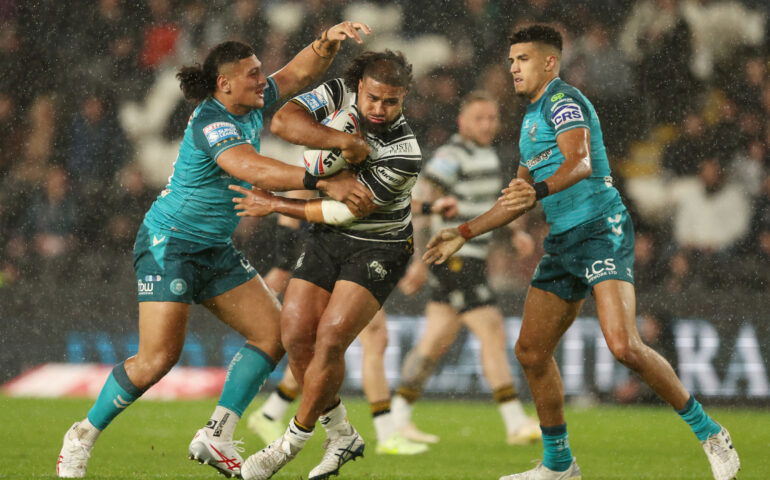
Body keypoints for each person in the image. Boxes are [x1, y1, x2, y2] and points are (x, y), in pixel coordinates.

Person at [56, 23, 373, 479]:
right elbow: (250, 167)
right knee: (157, 360)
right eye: (253, 74)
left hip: (214, 248)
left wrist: (326, 41)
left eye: (260, 71)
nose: (263, 79)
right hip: (171, 244)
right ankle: (81, 435)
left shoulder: (249, 100)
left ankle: (216, 434)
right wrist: (321, 181)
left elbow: (297, 73)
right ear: (225, 84)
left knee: (275, 334)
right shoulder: (213, 121)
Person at [423, 25, 740, 480]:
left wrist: (538, 191)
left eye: (523, 59)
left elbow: (581, 161)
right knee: (531, 351)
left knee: (623, 345)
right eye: (511, 60)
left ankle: (710, 432)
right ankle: (559, 465)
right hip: (563, 240)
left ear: (549, 62)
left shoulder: (563, 101)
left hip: (600, 229)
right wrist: (463, 232)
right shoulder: (529, 121)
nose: (513, 68)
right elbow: (516, 198)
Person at [230, 49, 420, 480]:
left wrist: (274, 203)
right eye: (373, 98)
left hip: (379, 245)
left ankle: (289, 443)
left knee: (331, 337)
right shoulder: (337, 93)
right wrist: (341, 141)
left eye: (391, 102)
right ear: (359, 88)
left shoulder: (405, 152)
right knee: (295, 332)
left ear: (404, 98)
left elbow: (343, 211)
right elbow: (283, 123)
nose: (380, 108)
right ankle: (342, 435)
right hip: (326, 238)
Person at [248, 198, 455, 455]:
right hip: (329, 255)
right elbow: (299, 202)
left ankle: (272, 412)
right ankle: (382, 433)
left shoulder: (361, 180)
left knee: (325, 348)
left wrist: (427, 208)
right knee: (356, 340)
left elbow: (374, 199)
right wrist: (283, 265)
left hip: (347, 253)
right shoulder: (326, 176)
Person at [393, 91, 540, 446]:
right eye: (479, 118)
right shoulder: (451, 156)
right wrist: (418, 260)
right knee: (491, 330)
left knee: (435, 340)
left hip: (471, 258)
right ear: (462, 122)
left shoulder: (487, 155)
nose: (487, 125)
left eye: (492, 118)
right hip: (454, 259)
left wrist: (513, 233)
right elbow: (419, 204)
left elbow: (483, 208)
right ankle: (515, 421)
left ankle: (397, 418)